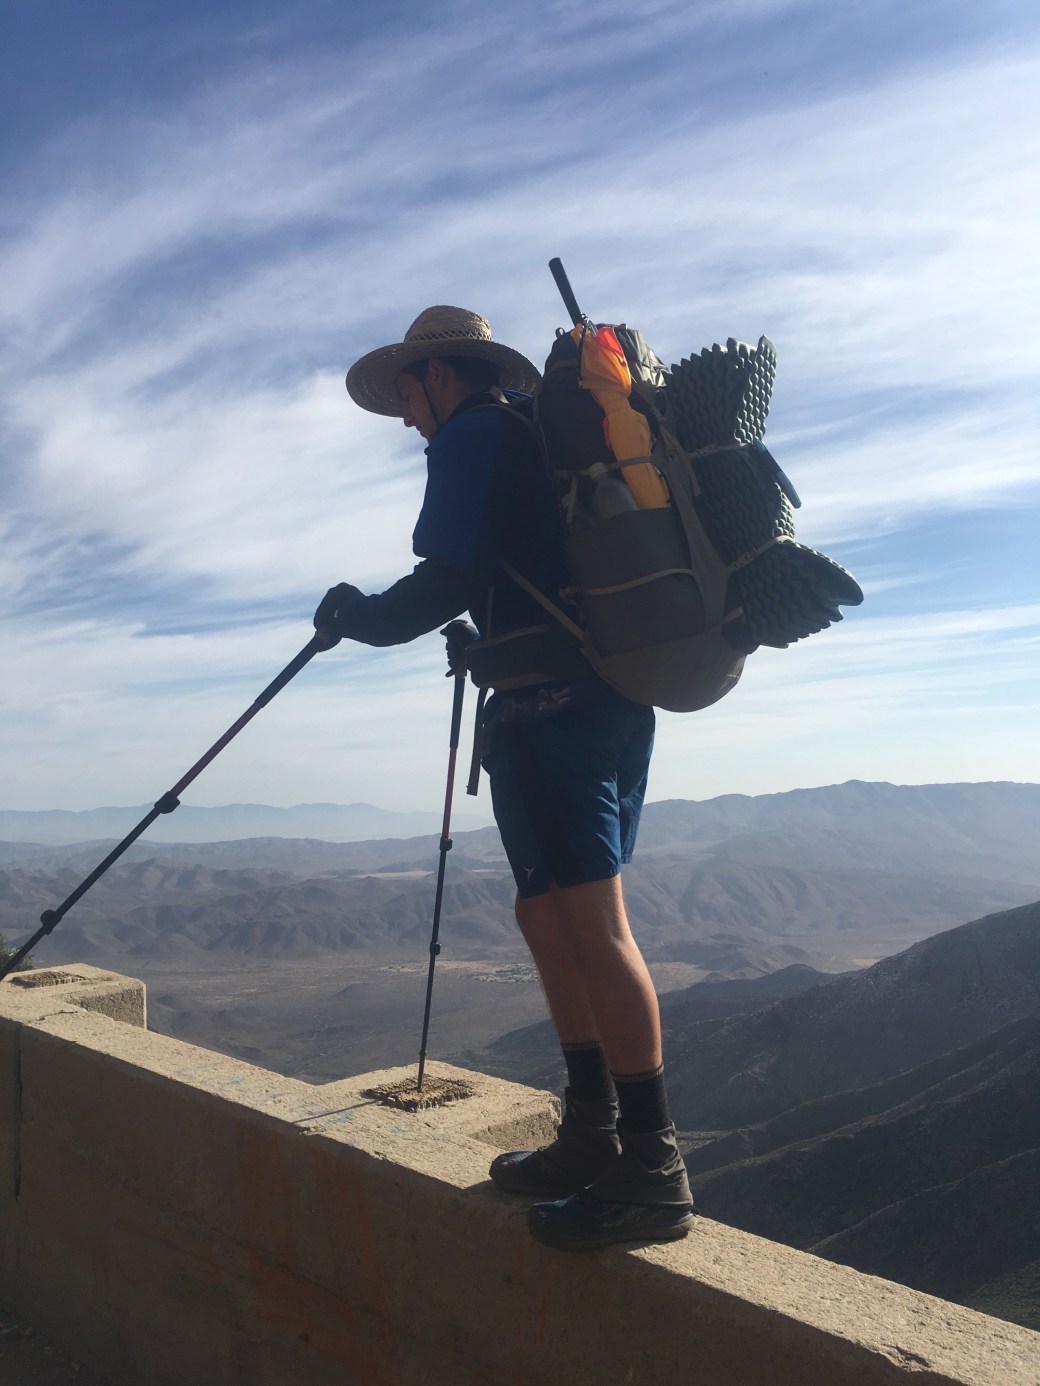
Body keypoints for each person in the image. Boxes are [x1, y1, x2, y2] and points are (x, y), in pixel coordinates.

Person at [314, 305, 693, 1251]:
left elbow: (442, 578)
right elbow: (513, 568)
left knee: (593, 924)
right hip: (592, 700)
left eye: (406, 394)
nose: (407, 417)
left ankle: (653, 1168)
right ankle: (592, 1131)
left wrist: (355, 616)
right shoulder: (533, 436)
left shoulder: (475, 435)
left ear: (440, 374)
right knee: (548, 914)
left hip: (556, 712)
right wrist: (490, 639)